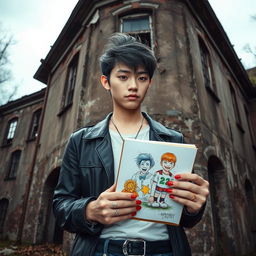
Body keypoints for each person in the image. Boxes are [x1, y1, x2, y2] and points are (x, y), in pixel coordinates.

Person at [53, 33, 209, 256]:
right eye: (124, 77)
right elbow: (60, 206)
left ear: (150, 82)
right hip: (102, 250)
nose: (133, 86)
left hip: (164, 250)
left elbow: (184, 217)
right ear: (106, 82)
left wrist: (195, 206)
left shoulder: (173, 141)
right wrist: (90, 210)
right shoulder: (81, 141)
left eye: (142, 78)